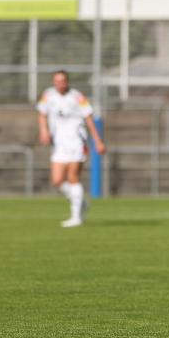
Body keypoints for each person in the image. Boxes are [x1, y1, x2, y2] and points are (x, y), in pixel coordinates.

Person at [37, 70, 106, 227]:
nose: (60, 84)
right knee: (57, 180)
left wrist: (98, 141)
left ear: (67, 81)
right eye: (57, 81)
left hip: (76, 142)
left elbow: (89, 119)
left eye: (62, 81)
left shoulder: (77, 97)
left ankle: (76, 217)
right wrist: (44, 130)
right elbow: (41, 113)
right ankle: (80, 200)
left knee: (73, 177)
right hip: (59, 144)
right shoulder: (48, 95)